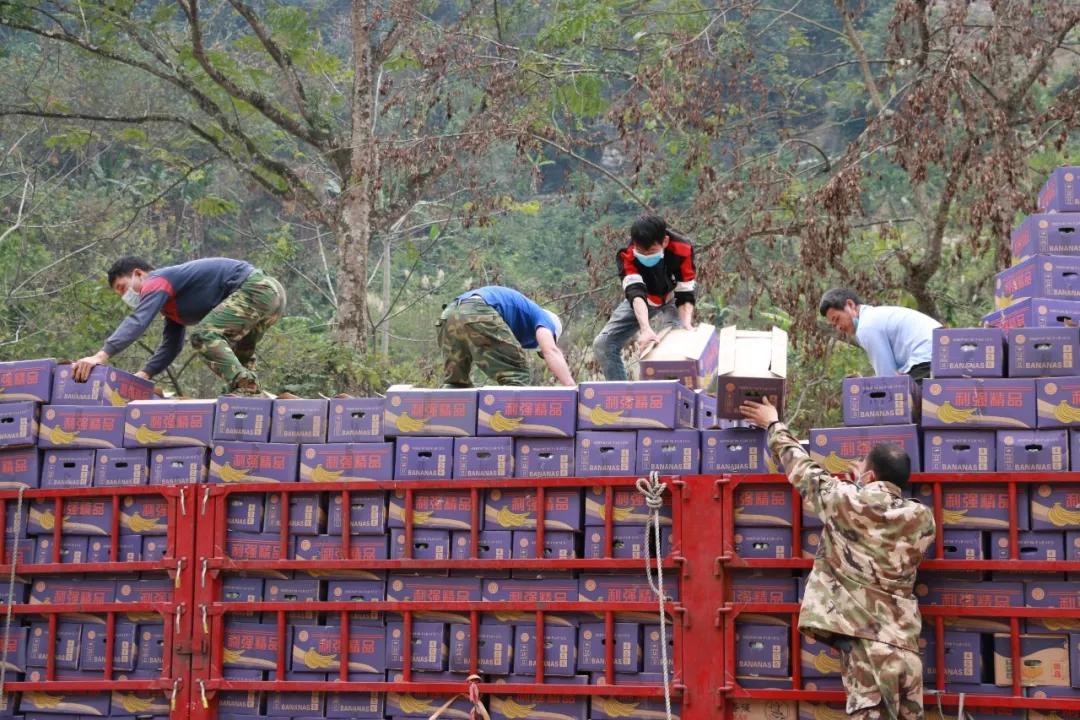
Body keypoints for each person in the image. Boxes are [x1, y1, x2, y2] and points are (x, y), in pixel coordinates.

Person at [740, 397, 935, 720]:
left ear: (869, 476)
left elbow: (803, 470)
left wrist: (773, 423)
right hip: (907, 649)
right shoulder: (923, 518)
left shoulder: (846, 500)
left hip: (868, 649)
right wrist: (864, 483)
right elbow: (882, 511)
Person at [73, 256, 285, 394]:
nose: (124, 296)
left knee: (204, 336)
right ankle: (252, 401)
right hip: (270, 295)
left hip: (255, 288)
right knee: (238, 360)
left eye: (122, 288)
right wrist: (144, 375)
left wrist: (100, 356)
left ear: (138, 274)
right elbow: (172, 345)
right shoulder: (171, 304)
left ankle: (247, 385)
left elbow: (139, 320)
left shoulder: (157, 280)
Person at [592, 214, 696, 381]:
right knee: (603, 344)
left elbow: (685, 290)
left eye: (652, 251)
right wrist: (646, 329)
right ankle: (621, 399)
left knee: (672, 348)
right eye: (641, 252)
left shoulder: (682, 248)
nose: (647, 256)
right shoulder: (627, 255)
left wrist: (686, 323)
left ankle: (675, 399)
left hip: (673, 298)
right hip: (643, 298)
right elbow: (635, 292)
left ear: (665, 242)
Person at [437, 285, 574, 387]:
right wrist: (572, 389)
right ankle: (509, 422)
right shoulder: (545, 320)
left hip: (449, 314)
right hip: (478, 311)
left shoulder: (517, 319)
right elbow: (550, 350)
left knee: (456, 383)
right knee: (517, 373)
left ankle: (450, 423)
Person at [819, 288, 941, 383]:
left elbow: (888, 378)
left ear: (850, 305)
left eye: (837, 319)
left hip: (928, 357)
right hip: (938, 353)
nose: (839, 327)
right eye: (834, 325)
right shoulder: (874, 317)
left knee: (900, 405)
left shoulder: (866, 326)